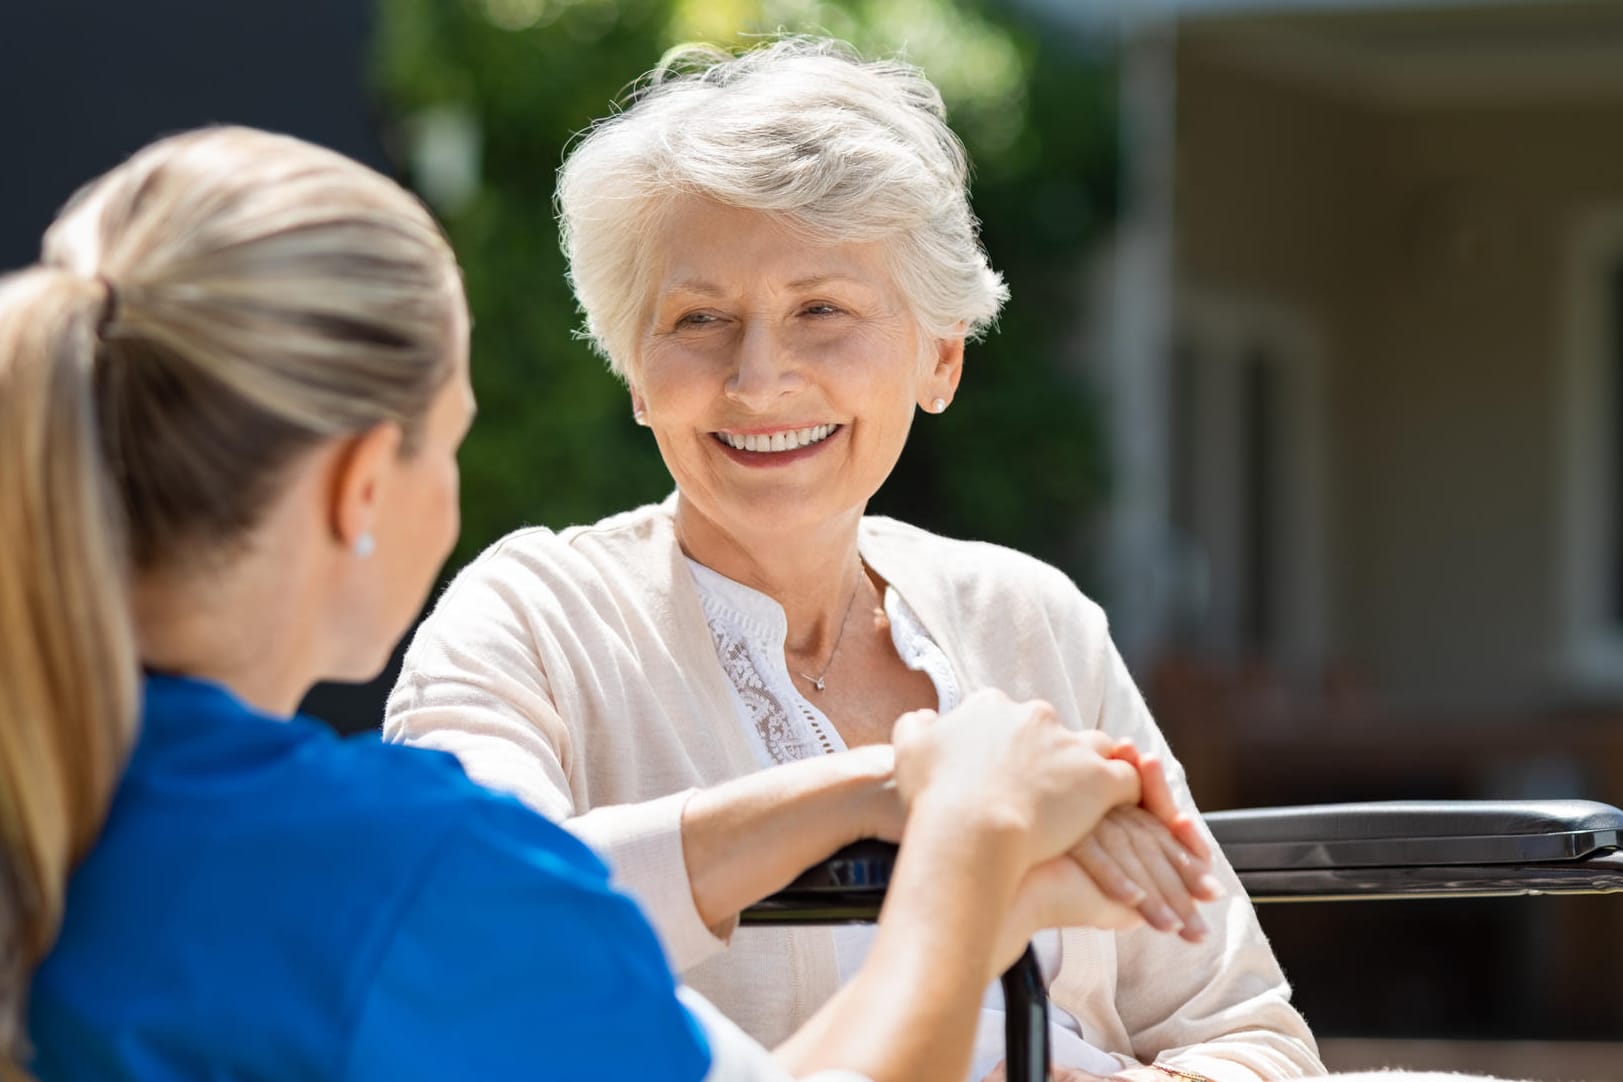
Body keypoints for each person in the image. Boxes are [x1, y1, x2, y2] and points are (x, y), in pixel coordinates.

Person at [0, 124, 1212, 1082]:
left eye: (821, 309)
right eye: (456, 439)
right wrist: (971, 838)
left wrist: (890, 789)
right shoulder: (400, 871)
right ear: (365, 482)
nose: (757, 370)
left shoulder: (67, 805)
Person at [384, 36, 1321, 1082]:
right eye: (700, 319)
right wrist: (907, 787)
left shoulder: (1030, 617)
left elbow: (1242, 1032)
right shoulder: (530, 619)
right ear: (636, 373)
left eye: (820, 310)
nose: (759, 377)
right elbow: (468, 921)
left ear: (941, 355)